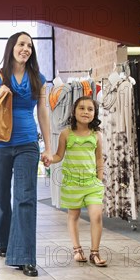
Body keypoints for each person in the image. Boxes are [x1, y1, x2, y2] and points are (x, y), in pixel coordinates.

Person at [0, 31, 51, 277]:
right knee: (1, 195)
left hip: (27, 143)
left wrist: (49, 146)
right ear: (11, 48)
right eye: (21, 44)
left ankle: (25, 256)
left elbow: (43, 114)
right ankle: (2, 239)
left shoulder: (39, 78)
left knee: (25, 198)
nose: (25, 48)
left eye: (29, 45)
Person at [42, 96, 107, 267]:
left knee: (97, 215)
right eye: (82, 108)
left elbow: (99, 159)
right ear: (74, 111)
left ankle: (95, 252)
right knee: (74, 215)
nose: (86, 112)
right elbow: (58, 156)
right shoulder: (66, 134)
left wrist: (99, 181)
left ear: (95, 113)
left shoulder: (97, 135)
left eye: (90, 109)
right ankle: (77, 249)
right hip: (72, 184)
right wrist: (50, 159)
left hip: (91, 184)